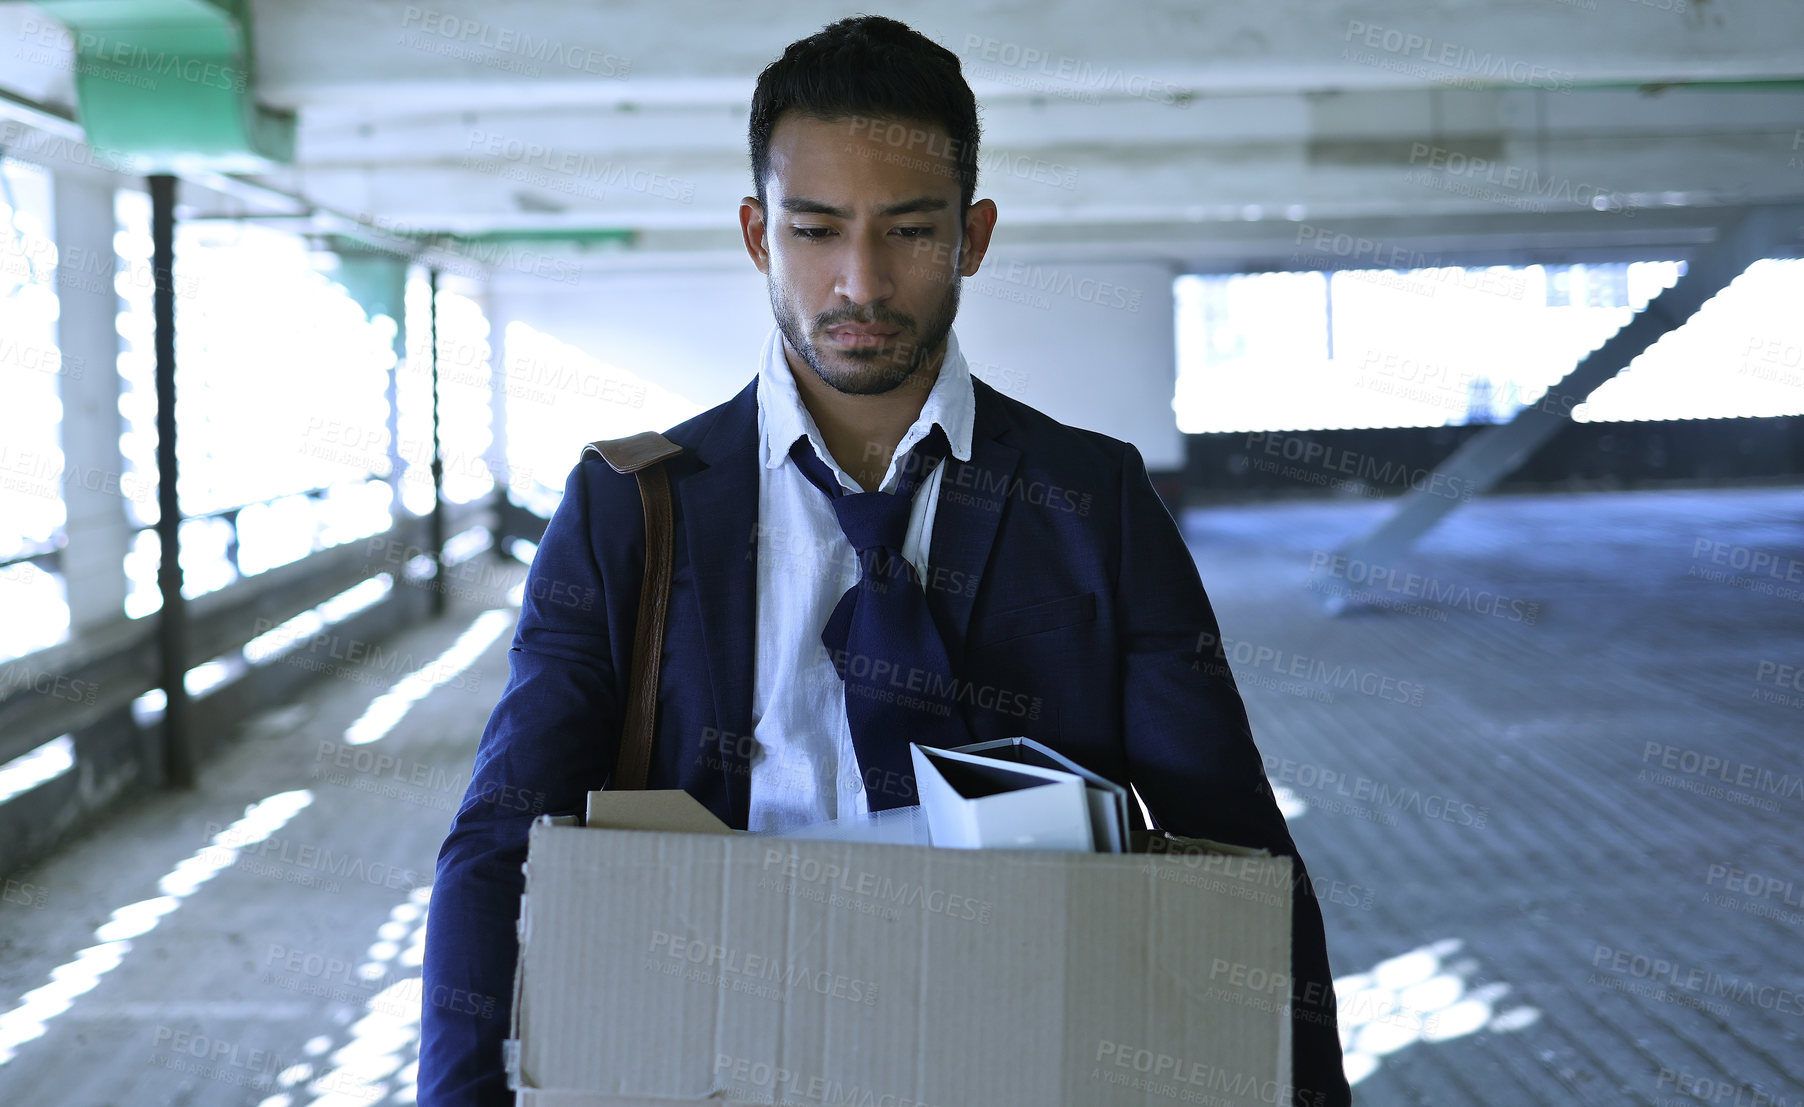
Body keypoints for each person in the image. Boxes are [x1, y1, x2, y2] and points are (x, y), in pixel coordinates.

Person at [419, 15, 1349, 1106]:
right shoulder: (631, 508)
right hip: (710, 1058)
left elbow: (1228, 842)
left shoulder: (1091, 499)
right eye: (817, 231)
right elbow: (498, 842)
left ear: (973, 237)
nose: (861, 282)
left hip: (1029, 1049)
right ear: (760, 236)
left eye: (909, 232)